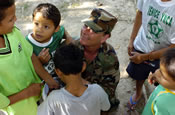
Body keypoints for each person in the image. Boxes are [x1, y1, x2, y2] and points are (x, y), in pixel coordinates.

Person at [0, 0, 59, 115]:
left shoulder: (13, 33)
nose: (16, 20)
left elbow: (30, 55)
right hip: (22, 110)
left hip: (38, 93)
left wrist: (49, 79)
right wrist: (28, 92)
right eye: (11, 19)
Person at [126, 0, 175, 110]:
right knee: (139, 74)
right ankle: (138, 93)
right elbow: (140, 12)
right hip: (141, 47)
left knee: (163, 80)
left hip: (164, 56)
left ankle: (158, 97)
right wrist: (132, 39)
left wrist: (145, 57)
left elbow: (173, 47)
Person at [37, 44, 110, 115]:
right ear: (83, 66)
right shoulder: (97, 90)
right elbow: (105, 109)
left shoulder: (53, 99)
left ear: (58, 72)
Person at [74, 8, 120, 113]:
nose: (85, 31)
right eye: (86, 25)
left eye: (93, 30)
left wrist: (82, 85)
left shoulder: (110, 59)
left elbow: (109, 90)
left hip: (95, 96)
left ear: (104, 37)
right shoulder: (73, 47)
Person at [26, 3, 72, 82]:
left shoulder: (56, 34)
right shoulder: (26, 44)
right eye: (36, 24)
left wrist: (69, 38)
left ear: (55, 29)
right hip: (41, 82)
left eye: (46, 27)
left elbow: (62, 30)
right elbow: (26, 70)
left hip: (58, 77)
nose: (39, 30)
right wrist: (39, 61)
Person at [142, 48, 175, 115]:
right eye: (160, 69)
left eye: (162, 75)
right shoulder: (170, 85)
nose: (156, 72)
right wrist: (158, 77)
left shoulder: (164, 104)